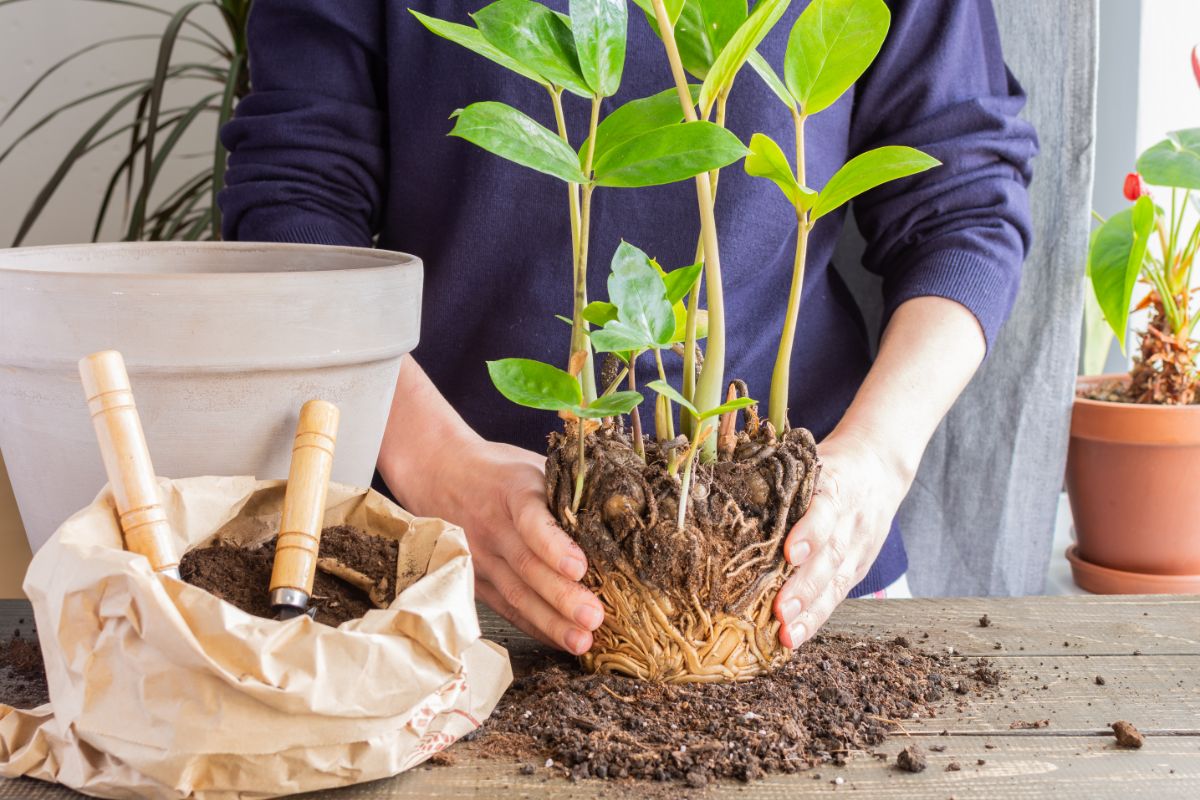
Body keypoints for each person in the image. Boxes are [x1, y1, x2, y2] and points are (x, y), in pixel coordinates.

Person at [220, 0, 1036, 656]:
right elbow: (291, 214)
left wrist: (875, 464)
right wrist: (434, 463)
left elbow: (963, 204)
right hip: (436, 573)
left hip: (799, 573)